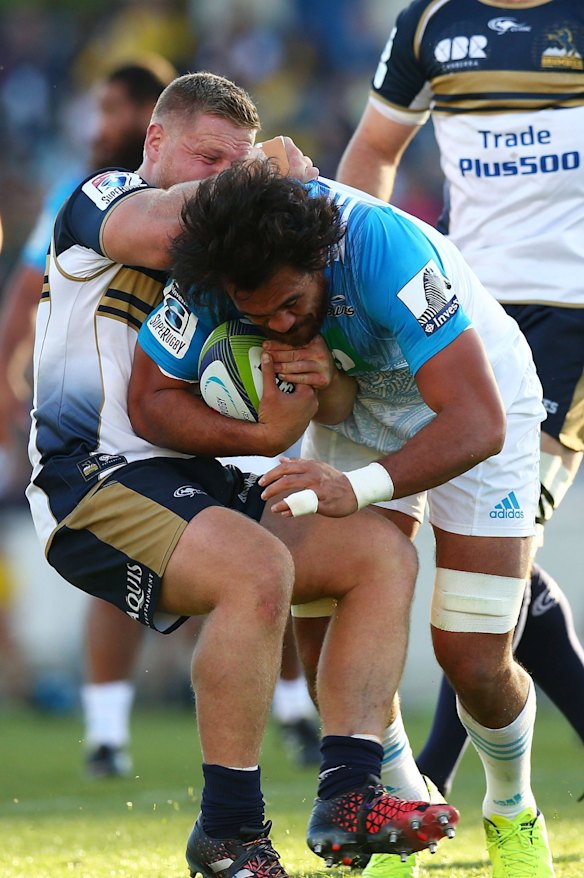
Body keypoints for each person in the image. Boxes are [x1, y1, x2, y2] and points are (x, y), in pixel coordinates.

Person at [26, 72, 458, 877]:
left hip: (189, 480)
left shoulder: (236, 270)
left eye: (236, 163)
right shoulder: (103, 198)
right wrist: (260, 180)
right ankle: (228, 830)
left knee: (377, 555)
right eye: (207, 158)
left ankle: (350, 794)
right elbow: (162, 234)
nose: (222, 176)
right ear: (155, 144)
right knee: (257, 570)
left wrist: (303, 388)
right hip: (89, 478)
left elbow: (296, 410)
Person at [163, 159, 556, 878]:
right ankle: (397, 813)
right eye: (260, 316)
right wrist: (309, 402)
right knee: (326, 661)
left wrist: (362, 485)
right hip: (357, 414)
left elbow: (477, 419)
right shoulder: (226, 265)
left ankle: (512, 807)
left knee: (473, 660)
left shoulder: (380, 248)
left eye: (290, 305)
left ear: (319, 259)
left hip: (474, 407)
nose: (278, 323)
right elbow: (149, 394)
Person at [335, 0, 584, 843]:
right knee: (483, 579)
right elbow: (373, 150)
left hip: (569, 322)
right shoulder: (429, 22)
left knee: (509, 565)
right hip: (452, 313)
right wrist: (348, 294)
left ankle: (435, 788)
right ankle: (430, 790)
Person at [0, 55, 179, 776]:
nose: (100, 128)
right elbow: (24, 295)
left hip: (193, 400)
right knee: (133, 568)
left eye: (112, 113)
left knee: (254, 565)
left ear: (152, 123)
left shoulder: (201, 196)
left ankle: (293, 713)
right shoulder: (87, 196)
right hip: (103, 418)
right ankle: (105, 731)